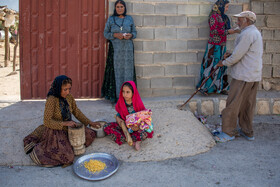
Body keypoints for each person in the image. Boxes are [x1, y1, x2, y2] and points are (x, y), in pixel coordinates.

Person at [23, 75, 101, 167]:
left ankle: (68, 144)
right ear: (58, 88)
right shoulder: (52, 100)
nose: (68, 92)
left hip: (69, 127)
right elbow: (47, 121)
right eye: (65, 89)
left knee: (91, 134)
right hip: (55, 129)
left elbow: (76, 111)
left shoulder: (69, 97)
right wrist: (65, 123)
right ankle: (39, 150)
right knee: (68, 157)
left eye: (69, 89)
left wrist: (89, 122)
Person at [214, 11, 263, 142]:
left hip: (243, 76)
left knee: (233, 104)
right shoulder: (253, 32)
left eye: (240, 20)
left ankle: (228, 132)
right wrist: (231, 52)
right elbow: (243, 52)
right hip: (253, 75)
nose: (237, 22)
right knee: (247, 105)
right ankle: (248, 131)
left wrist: (223, 63)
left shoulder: (247, 34)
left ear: (247, 20)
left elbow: (237, 56)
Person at [196, 0, 239, 95]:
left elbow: (224, 29)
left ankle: (220, 88)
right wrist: (229, 32)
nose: (227, 9)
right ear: (220, 6)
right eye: (226, 7)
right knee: (211, 67)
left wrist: (231, 30)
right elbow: (214, 30)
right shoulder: (213, 16)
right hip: (214, 47)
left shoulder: (222, 17)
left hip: (222, 45)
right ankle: (205, 88)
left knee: (222, 66)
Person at [102, 0, 137, 103]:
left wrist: (131, 35)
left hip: (128, 50)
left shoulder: (129, 19)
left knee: (127, 72)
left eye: (122, 6)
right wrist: (115, 35)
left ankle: (128, 97)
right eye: (118, 7)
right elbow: (105, 33)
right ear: (115, 8)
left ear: (125, 8)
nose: (120, 8)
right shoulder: (111, 19)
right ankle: (117, 97)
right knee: (117, 72)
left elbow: (134, 32)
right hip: (115, 50)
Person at [104, 81, 153, 151]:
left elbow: (143, 117)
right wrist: (118, 118)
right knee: (106, 126)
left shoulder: (137, 102)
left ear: (133, 93)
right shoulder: (121, 101)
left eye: (127, 92)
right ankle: (129, 138)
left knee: (144, 132)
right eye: (123, 92)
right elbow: (119, 114)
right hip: (124, 126)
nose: (125, 94)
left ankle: (133, 140)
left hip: (135, 127)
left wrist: (137, 126)